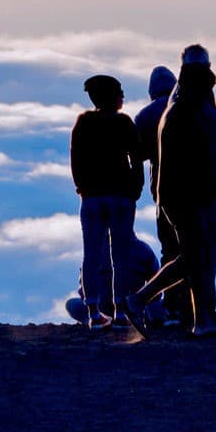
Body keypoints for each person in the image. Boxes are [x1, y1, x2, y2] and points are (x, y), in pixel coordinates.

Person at [125, 45, 216, 339]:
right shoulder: (188, 103)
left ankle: (200, 316)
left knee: (198, 253)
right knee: (197, 254)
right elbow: (206, 144)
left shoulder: (186, 101)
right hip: (192, 193)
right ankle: (188, 314)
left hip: (188, 192)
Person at [70, 74, 142, 329]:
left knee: (91, 255)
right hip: (121, 196)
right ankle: (121, 312)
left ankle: (94, 312)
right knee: (121, 256)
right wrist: (136, 189)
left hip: (92, 198)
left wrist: (83, 189)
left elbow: (76, 159)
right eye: (120, 91)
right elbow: (136, 158)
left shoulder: (84, 122)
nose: (123, 96)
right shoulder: (124, 123)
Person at [133, 66, 180, 309]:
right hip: (194, 187)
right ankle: (195, 308)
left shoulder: (144, 116)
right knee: (195, 250)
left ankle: (171, 306)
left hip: (162, 190)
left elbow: (137, 153)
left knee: (169, 249)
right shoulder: (188, 106)